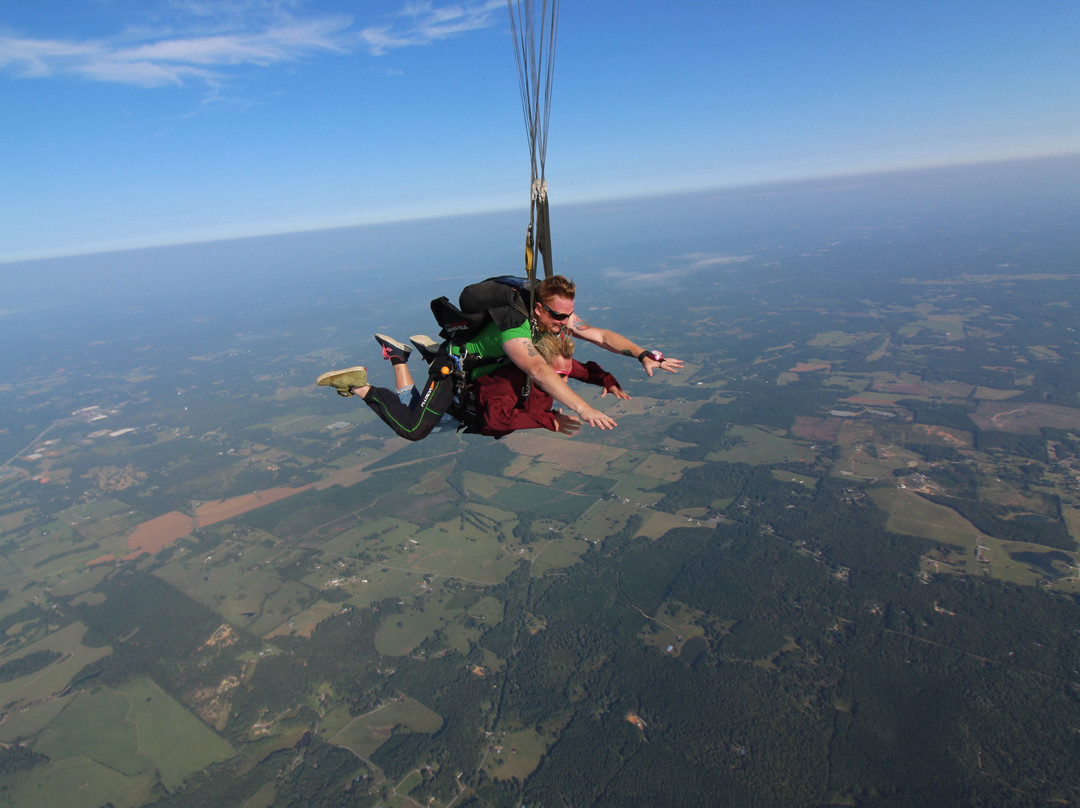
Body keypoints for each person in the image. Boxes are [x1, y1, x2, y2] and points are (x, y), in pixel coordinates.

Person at [317, 274, 680, 439]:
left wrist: (643, 354)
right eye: (558, 317)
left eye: (569, 315)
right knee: (414, 429)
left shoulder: (553, 320)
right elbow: (537, 369)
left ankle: (407, 355)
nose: (566, 323)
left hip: (479, 363)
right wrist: (581, 408)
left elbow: (600, 336)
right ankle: (361, 386)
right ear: (538, 310)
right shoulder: (514, 328)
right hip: (454, 366)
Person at [316, 333, 626, 440]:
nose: (564, 380)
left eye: (565, 374)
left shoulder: (553, 371)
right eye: (556, 374)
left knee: (411, 409)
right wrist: (548, 420)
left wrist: (606, 380)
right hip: (456, 404)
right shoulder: (505, 384)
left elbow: (579, 369)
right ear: (535, 366)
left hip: (460, 408)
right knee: (412, 427)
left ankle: (399, 358)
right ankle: (360, 387)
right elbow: (496, 419)